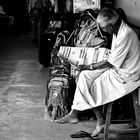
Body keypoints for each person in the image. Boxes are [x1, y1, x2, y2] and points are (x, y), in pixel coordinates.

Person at [55, 8, 140, 137]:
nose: (103, 30)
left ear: (111, 25)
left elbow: (111, 62)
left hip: (126, 76)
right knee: (83, 76)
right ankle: (75, 113)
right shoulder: (117, 31)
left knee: (90, 86)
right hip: (117, 68)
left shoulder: (126, 34)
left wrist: (89, 65)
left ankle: (100, 121)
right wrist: (88, 67)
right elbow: (113, 58)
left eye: (104, 28)